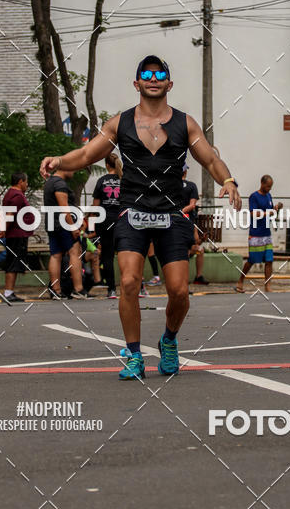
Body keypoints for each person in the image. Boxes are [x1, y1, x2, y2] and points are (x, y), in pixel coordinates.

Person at [40, 55, 240, 380]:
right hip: (132, 213)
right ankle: (133, 355)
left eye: (160, 73)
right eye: (146, 73)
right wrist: (58, 160)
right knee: (130, 282)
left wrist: (228, 182)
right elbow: (88, 154)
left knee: (179, 291)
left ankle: (169, 341)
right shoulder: (120, 123)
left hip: (172, 214)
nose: (153, 77)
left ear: (169, 84)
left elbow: (211, 160)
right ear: (137, 83)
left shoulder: (185, 124)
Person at [43, 167, 89, 299]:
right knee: (75, 252)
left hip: (52, 223)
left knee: (55, 255)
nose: (73, 172)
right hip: (64, 224)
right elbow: (64, 208)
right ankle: (78, 289)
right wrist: (73, 227)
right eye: (72, 169)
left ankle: (56, 291)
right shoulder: (60, 184)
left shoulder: (49, 182)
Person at [235, 174, 283, 294]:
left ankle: (267, 285)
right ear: (262, 184)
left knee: (269, 260)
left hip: (267, 233)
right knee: (252, 260)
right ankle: (240, 280)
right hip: (256, 233)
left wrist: (276, 209)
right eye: (267, 186)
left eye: (270, 187)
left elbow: (270, 211)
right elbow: (253, 214)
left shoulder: (269, 196)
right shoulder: (254, 197)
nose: (269, 189)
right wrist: (269, 213)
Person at [0, 172, 37, 303]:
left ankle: (9, 292)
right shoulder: (17, 195)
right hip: (17, 234)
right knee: (13, 263)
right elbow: (9, 214)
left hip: (16, 234)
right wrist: (4, 230)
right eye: (26, 182)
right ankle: (8, 293)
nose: (27, 185)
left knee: (14, 262)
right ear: (20, 181)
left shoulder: (10, 194)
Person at [92, 153, 122, 298]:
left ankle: (111, 289)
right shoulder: (125, 180)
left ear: (106, 165)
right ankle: (138, 287)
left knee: (108, 256)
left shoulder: (101, 181)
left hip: (106, 221)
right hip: (122, 222)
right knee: (127, 254)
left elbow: (96, 206)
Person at [181, 165, 209, 286]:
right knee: (185, 251)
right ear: (185, 172)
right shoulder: (191, 186)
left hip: (186, 224)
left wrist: (200, 238)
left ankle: (198, 276)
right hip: (182, 225)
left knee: (199, 249)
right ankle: (183, 280)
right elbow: (192, 205)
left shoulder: (171, 186)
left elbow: (196, 241)